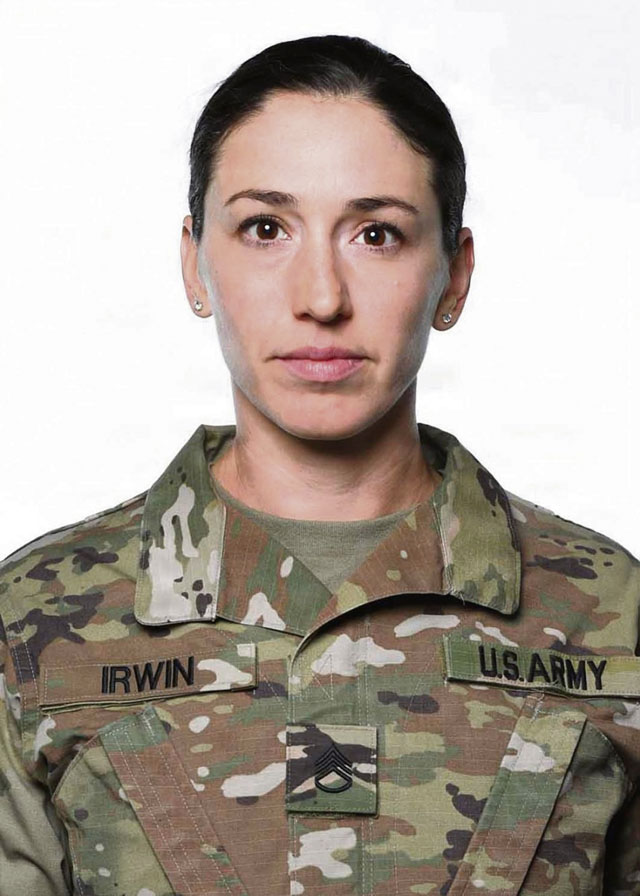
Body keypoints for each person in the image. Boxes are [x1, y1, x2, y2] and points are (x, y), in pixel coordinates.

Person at [0, 33, 638, 896]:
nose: (322, 297)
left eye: (377, 234)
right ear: (195, 263)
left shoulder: (609, 613)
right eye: (265, 229)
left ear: (453, 276)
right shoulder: (34, 622)